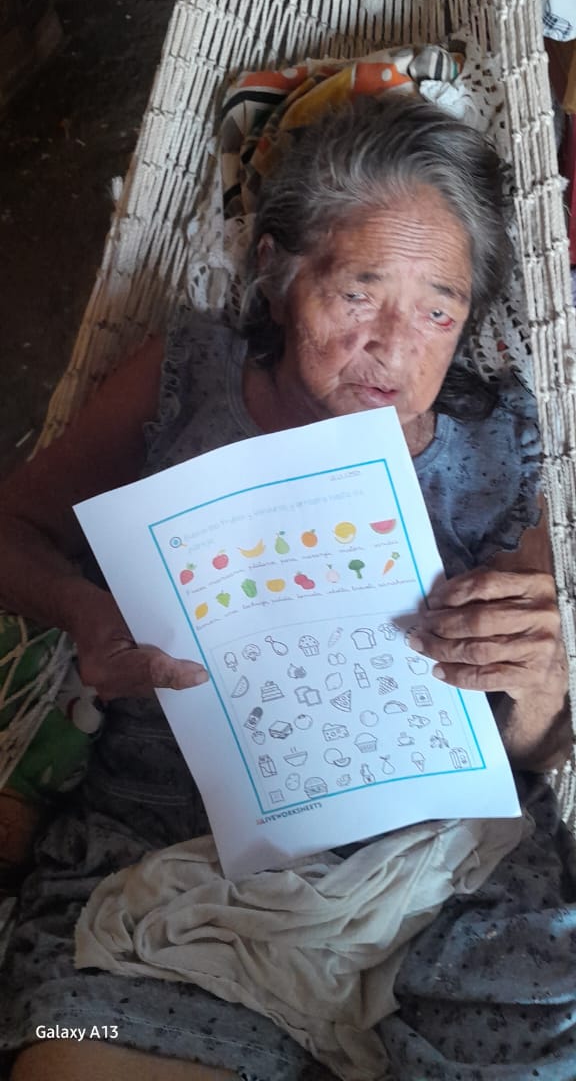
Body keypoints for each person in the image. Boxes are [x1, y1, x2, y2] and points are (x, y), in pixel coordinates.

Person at [0, 94, 573, 1081]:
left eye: (438, 310)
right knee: (68, 1058)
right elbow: (13, 528)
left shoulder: (498, 449)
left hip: (432, 867)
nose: (394, 346)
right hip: (171, 842)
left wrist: (541, 683)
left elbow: (532, 752)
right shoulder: (183, 384)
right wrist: (86, 611)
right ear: (277, 272)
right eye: (357, 294)